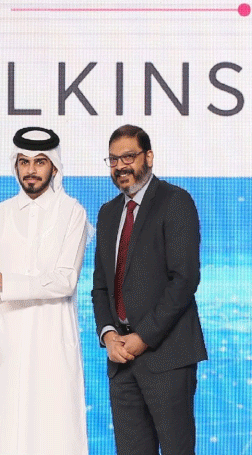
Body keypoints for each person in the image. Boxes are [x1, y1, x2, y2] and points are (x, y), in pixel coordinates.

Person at [0, 126, 90, 454]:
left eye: (39, 162)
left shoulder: (72, 212)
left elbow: (65, 281)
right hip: (7, 342)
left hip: (53, 340)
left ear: (54, 167)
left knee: (55, 430)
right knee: (4, 430)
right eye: (24, 162)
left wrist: (4, 281)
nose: (31, 170)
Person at [91, 124, 208, 454]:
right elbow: (100, 287)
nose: (120, 166)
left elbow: (184, 280)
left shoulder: (175, 201)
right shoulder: (108, 213)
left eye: (128, 157)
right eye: (113, 160)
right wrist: (108, 334)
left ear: (149, 157)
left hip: (167, 357)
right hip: (121, 361)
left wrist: (143, 337)